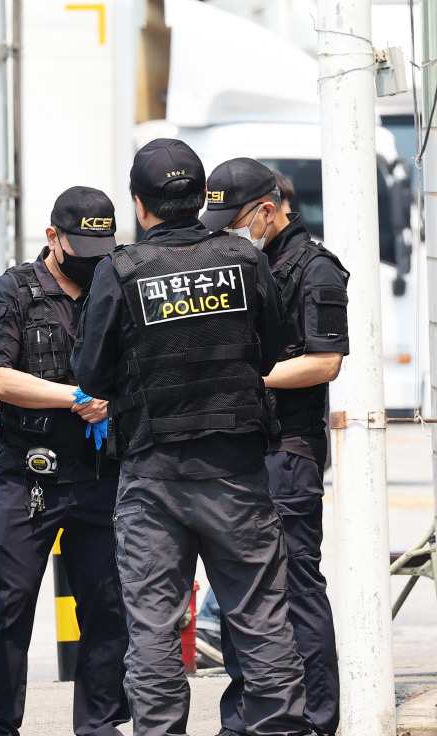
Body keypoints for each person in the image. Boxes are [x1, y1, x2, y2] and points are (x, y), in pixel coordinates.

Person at [73, 138, 314, 736]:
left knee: (153, 629)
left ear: (139, 204)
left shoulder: (119, 270)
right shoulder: (244, 259)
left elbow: (89, 374)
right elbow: (269, 345)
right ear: (200, 196)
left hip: (153, 474)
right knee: (261, 619)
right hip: (235, 470)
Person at [0, 186, 130, 736]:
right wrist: (78, 398)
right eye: (81, 247)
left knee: (108, 608)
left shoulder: (117, 280)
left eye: (101, 247)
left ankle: (100, 725)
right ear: (52, 237)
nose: (91, 259)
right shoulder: (11, 292)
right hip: (29, 476)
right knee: (9, 606)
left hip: (102, 475)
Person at [201, 158, 348, 736]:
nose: (225, 232)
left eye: (233, 220)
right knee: (242, 591)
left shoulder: (314, 268)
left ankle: (317, 719)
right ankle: (245, 721)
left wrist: (247, 378)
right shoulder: (245, 261)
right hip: (242, 447)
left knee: (296, 586)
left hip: (288, 448)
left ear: (266, 210)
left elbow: (325, 361)